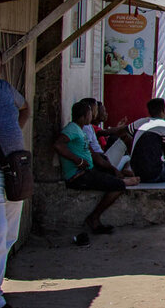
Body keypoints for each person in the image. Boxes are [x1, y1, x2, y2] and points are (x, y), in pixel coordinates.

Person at [54, 101, 140, 237]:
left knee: (115, 177)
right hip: (78, 175)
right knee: (118, 186)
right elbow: (58, 145)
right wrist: (77, 160)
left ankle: (123, 179)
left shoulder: (81, 131)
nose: (92, 115)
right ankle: (94, 218)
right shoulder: (71, 128)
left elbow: (93, 155)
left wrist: (113, 169)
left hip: (88, 171)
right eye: (90, 113)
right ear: (84, 116)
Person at [0, 50, 30, 308]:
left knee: (8, 236)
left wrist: (16, 132)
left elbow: (25, 107)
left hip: (13, 171)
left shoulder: (5, 88)